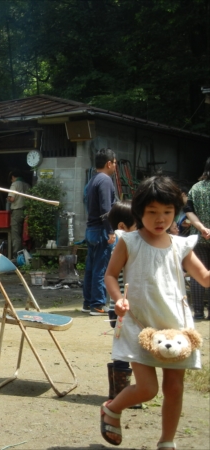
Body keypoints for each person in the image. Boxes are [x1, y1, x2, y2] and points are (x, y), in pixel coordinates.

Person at [102, 176, 209, 449]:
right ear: (140, 211)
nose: (160, 219)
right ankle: (112, 409)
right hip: (140, 326)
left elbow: (205, 278)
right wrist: (117, 299)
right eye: (152, 212)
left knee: (174, 388)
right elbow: (111, 276)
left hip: (176, 329)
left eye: (167, 212)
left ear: (175, 211)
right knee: (148, 389)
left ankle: (167, 442)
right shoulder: (129, 241)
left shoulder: (181, 245)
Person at [104, 200, 140, 408]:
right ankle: (122, 393)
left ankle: (120, 391)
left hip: (122, 307)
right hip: (119, 308)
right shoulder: (123, 244)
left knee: (125, 348)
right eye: (136, 227)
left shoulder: (123, 242)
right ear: (122, 228)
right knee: (125, 350)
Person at [82, 148, 117, 316]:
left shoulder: (92, 180)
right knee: (101, 268)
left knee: (91, 268)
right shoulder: (105, 180)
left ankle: (88, 302)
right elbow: (106, 208)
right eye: (115, 162)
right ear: (109, 163)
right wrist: (111, 231)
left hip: (91, 228)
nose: (115, 166)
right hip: (101, 230)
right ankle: (97, 304)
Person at [185, 158, 210, 320]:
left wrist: (202, 228)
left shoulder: (196, 188)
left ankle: (198, 312)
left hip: (199, 237)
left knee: (196, 274)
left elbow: (188, 211)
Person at [6, 168, 31, 259]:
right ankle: (25, 256)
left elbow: (12, 198)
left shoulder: (15, 184)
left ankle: (16, 256)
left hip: (17, 211)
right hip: (26, 212)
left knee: (15, 234)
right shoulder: (27, 185)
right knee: (24, 234)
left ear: (13, 177)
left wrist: (8, 199)